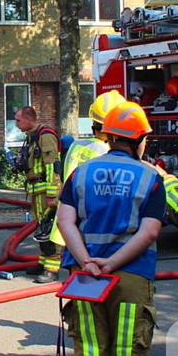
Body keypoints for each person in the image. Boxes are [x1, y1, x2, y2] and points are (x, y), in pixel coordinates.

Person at [55, 101, 165, 356]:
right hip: (130, 275)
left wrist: (87, 262)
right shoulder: (151, 177)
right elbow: (148, 233)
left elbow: (65, 222)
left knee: (90, 352)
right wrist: (112, 262)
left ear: (109, 137)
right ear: (141, 140)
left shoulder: (81, 173)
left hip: (85, 279)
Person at [46, 89, 126, 271]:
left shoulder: (76, 145)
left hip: (71, 210)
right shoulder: (112, 153)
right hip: (99, 218)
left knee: (77, 265)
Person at [13, 105, 62, 282]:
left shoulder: (45, 136)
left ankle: (51, 269)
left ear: (28, 119)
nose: (16, 124)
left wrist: (52, 193)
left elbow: (52, 165)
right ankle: (43, 262)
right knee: (41, 228)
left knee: (48, 229)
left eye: (18, 120)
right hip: (35, 190)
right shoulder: (33, 137)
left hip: (44, 191)